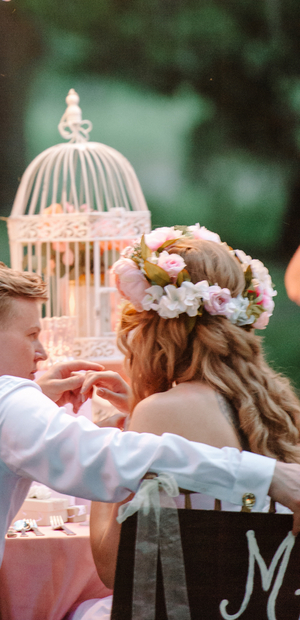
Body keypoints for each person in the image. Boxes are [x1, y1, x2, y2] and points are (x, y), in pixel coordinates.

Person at [0, 259, 300, 620]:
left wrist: (34, 398)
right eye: (32, 335)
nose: (42, 352)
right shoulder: (4, 404)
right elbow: (113, 460)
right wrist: (266, 474)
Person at [69, 225, 300, 620]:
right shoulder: (278, 406)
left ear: (154, 327)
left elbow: (113, 570)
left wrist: (109, 442)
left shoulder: (158, 413)